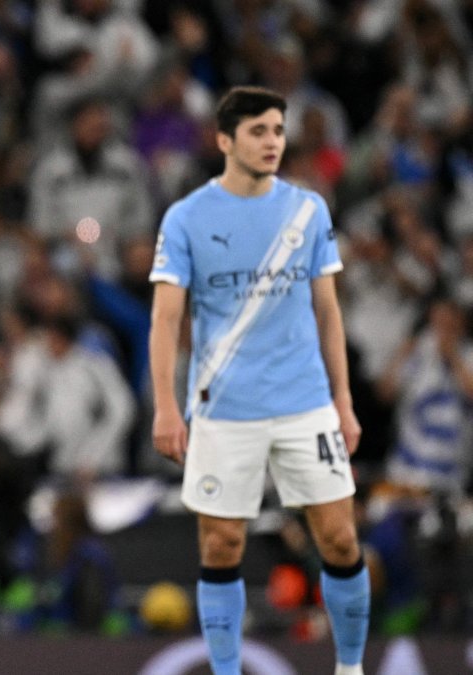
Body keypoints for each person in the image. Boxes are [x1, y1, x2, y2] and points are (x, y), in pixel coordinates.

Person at [148, 86, 370, 675]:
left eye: (278, 130)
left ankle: (350, 669)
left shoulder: (308, 210)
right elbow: (166, 319)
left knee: (341, 541)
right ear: (225, 141)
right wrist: (165, 408)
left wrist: (343, 401)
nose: (273, 141)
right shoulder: (187, 218)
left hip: (305, 403)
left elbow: (329, 311)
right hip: (223, 407)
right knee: (222, 545)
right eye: (259, 131)